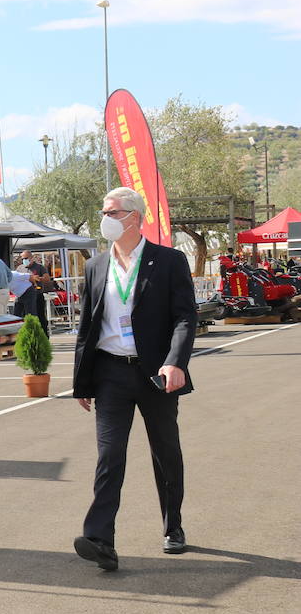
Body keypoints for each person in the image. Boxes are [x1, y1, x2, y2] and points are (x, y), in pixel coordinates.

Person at [71, 187, 196, 572]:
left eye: (112, 212)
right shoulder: (96, 266)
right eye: (103, 212)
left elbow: (185, 317)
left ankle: (173, 526)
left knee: (165, 451)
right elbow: (87, 326)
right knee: (110, 456)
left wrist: (175, 362)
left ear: (135, 217)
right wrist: (82, 382)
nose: (104, 218)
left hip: (156, 373)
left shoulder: (169, 260)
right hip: (110, 372)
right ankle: (100, 540)